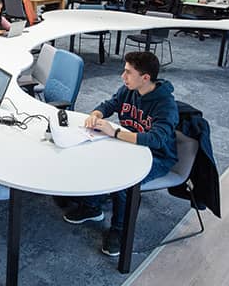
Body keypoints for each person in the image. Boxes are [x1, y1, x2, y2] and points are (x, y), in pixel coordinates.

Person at [61, 51, 178, 257]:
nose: (123, 77)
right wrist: (96, 114)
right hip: (130, 146)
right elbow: (109, 105)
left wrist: (114, 132)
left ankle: (120, 230)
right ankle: (92, 208)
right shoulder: (129, 90)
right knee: (94, 158)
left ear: (145, 77)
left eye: (128, 72)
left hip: (157, 156)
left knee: (124, 182)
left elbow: (156, 139)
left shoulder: (165, 105)